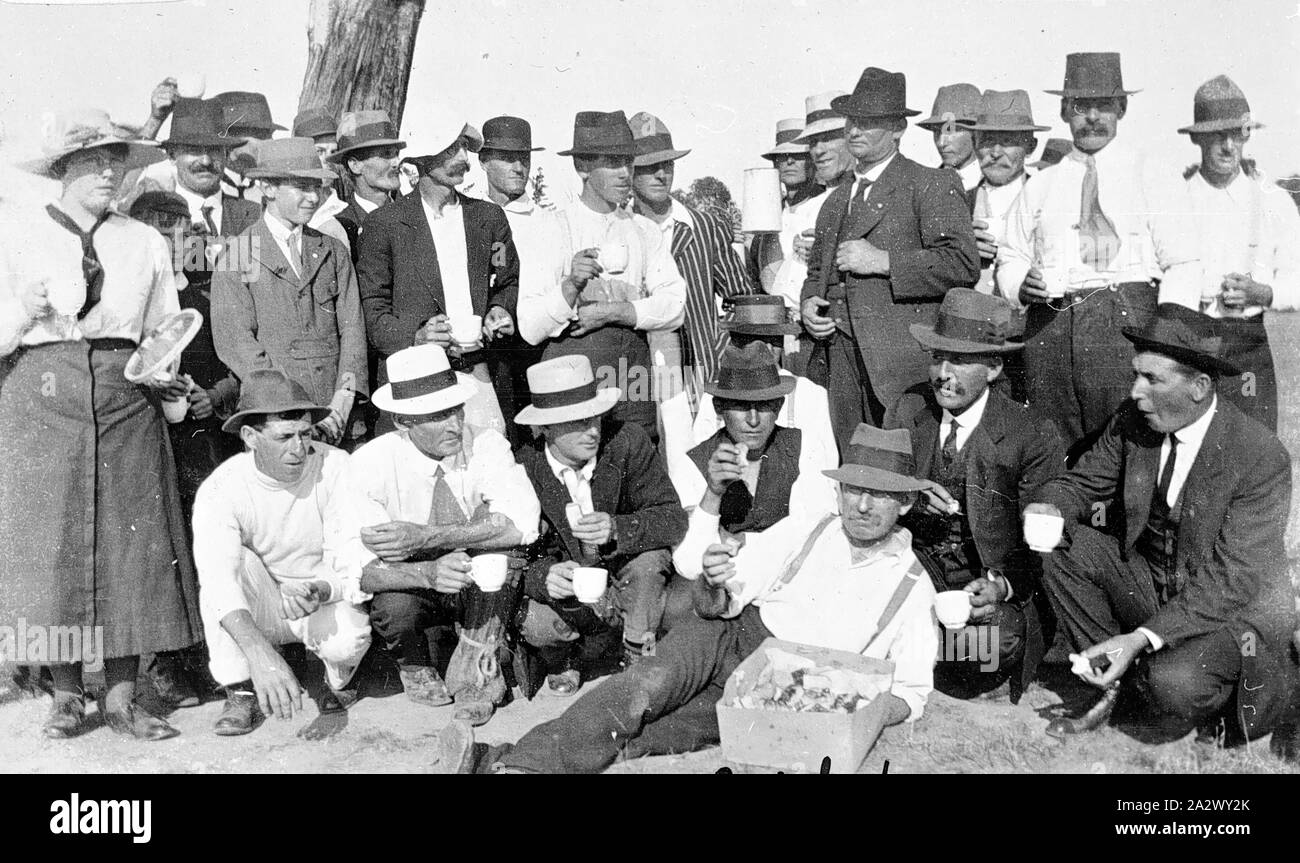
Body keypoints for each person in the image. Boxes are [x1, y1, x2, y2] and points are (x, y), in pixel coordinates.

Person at [443, 424, 938, 773]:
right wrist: (718, 578)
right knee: (637, 693)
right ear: (841, 491)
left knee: (661, 736)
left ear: (907, 503)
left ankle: (508, 763)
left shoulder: (914, 588)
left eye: (881, 494)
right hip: (730, 636)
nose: (864, 505)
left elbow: (911, 694)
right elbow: (729, 592)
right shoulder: (812, 528)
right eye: (855, 490)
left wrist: (857, 712)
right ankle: (511, 763)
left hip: (787, 692)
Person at [1, 109, 203, 741]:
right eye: (94, 162)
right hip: (42, 390)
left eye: (118, 162)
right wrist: (18, 309)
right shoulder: (14, 232)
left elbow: (164, 326)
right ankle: (64, 694)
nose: (110, 173)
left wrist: (164, 375)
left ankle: (121, 697)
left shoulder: (142, 240)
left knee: (130, 545)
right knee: (50, 542)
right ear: (63, 169)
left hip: (125, 396)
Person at [1027, 304, 1298, 760]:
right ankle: (1108, 686)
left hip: (1232, 610)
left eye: (1153, 379)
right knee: (1066, 547)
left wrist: (1139, 639)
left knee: (1174, 687)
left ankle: (1264, 691)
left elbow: (1234, 580)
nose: (1135, 392)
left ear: (1199, 387)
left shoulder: (1259, 456)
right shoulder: (1133, 421)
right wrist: (1050, 505)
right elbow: (1083, 482)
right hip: (1155, 584)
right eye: (1136, 375)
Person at [996, 53, 1189, 448]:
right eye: (1081, 107)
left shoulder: (1150, 174)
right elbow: (1011, 254)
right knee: (1053, 438)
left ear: (1122, 108)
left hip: (1125, 319)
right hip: (1050, 324)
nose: (1093, 118)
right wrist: (1020, 283)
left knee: (1127, 438)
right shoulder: (1043, 184)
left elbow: (1183, 262)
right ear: (1065, 111)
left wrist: (1166, 345)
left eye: (1103, 106)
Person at [886, 289, 1065, 697]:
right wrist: (908, 499)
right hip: (914, 567)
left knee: (989, 647)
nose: (943, 373)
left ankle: (911, 650)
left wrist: (1002, 587)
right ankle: (916, 647)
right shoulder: (909, 409)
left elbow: (1044, 543)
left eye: (961, 361)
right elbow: (875, 495)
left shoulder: (1032, 432)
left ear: (994, 367)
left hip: (984, 585)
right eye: (936, 357)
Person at [351, 344, 540, 724]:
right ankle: (415, 664)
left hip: (475, 584)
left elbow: (523, 523)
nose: (454, 425)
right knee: (394, 606)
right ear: (403, 421)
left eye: (456, 409)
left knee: (503, 559)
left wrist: (427, 537)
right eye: (437, 416)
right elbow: (356, 569)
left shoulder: (486, 443)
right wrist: (425, 572)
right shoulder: (371, 463)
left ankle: (477, 668)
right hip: (417, 586)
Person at [801, 67, 980, 453]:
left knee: (906, 473)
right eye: (851, 121)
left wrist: (885, 261)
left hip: (902, 369)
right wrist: (809, 305)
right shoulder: (834, 201)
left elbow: (963, 263)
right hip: (842, 362)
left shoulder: (929, 184)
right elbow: (817, 272)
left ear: (898, 128)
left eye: (869, 122)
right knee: (854, 469)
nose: (854, 131)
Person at [191, 371, 374, 736]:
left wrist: (321, 588)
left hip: (318, 594)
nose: (298, 449)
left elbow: (353, 554)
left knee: (347, 642)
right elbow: (218, 579)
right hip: (260, 599)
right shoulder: (222, 487)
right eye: (284, 437)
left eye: (305, 434)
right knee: (225, 573)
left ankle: (322, 672)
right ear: (250, 437)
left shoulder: (335, 466)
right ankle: (240, 688)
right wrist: (260, 655)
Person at [513, 355, 687, 693]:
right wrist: (544, 575)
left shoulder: (627, 442)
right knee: (538, 625)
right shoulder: (525, 466)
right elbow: (521, 551)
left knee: (649, 564)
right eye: (577, 422)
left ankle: (639, 655)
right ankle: (567, 657)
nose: (592, 431)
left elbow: (672, 517)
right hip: (573, 592)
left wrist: (618, 529)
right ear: (544, 428)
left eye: (595, 417)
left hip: (627, 582)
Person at [515, 110, 685, 442]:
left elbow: (675, 305)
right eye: (612, 162)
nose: (625, 173)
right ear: (583, 167)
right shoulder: (552, 227)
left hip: (632, 384)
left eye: (628, 162)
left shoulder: (644, 231)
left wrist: (617, 312)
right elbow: (530, 327)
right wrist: (570, 285)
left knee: (637, 472)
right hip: (571, 391)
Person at [356, 107, 520, 440]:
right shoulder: (383, 226)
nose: (463, 157)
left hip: (479, 376)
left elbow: (506, 278)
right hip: (418, 383)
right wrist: (415, 337)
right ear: (421, 157)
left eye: (464, 147)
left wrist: (499, 309)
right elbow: (373, 311)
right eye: (450, 148)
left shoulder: (489, 220)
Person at [1156, 75, 1300, 433]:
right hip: (1188, 343)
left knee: (1254, 444)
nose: (1227, 144)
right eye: (1216, 134)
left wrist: (1261, 293)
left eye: (1237, 133)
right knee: (1188, 448)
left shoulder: (1273, 202)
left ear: (1247, 135)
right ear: (1196, 137)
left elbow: (1296, 280)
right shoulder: (1174, 201)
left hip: (1247, 344)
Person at [211, 137, 368, 448]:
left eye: (318, 188)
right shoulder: (238, 256)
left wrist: (343, 399)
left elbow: (353, 330)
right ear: (268, 188)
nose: (313, 197)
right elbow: (237, 344)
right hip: (277, 421)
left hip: (340, 418)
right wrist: (294, 409)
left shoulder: (333, 251)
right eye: (301, 186)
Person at [671, 340, 839, 588]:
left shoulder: (804, 447)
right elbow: (689, 564)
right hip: (723, 583)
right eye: (740, 407)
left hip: (790, 580)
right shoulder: (693, 463)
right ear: (719, 407)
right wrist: (713, 493)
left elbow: (817, 531)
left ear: (779, 405)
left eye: (763, 407)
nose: (753, 420)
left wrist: (746, 543)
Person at [629, 111, 754, 391]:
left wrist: (719, 347)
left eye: (668, 164)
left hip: (702, 373)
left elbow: (742, 298)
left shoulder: (704, 226)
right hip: (642, 378)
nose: (662, 175)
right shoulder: (620, 230)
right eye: (650, 166)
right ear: (629, 170)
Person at [475, 115, 555, 434]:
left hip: (538, 352)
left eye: (524, 158)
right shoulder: (472, 217)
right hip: (491, 354)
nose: (518, 167)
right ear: (483, 161)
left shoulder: (546, 222)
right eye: (507, 158)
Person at [745, 118, 823, 312]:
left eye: (798, 156)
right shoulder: (766, 214)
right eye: (783, 156)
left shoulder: (824, 205)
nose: (789, 162)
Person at [328, 110, 407, 254]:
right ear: (355, 165)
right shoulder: (341, 227)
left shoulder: (413, 215)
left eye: (396, 154)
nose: (396, 162)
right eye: (386, 155)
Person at [292, 107, 352, 250]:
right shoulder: (287, 207)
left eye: (333, 151)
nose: (327, 159)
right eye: (319, 151)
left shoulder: (345, 212)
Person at [915, 82, 984, 191]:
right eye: (937, 132)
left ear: (976, 132)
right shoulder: (925, 187)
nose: (941, 143)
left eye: (950, 131)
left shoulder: (997, 186)